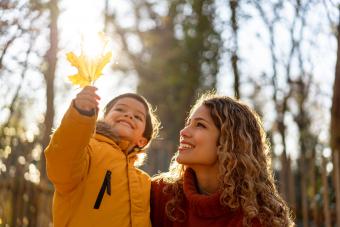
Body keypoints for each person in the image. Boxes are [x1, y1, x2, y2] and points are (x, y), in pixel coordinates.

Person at [151, 93, 294, 227]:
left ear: (230, 142)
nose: (183, 132)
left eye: (200, 125)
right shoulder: (159, 194)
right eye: (188, 123)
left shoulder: (260, 217)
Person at [44, 86, 160, 227]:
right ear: (104, 119)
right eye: (120, 109)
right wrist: (81, 116)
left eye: (137, 116)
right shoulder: (88, 149)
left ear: (142, 140)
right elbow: (63, 161)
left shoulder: (145, 182)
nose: (128, 115)